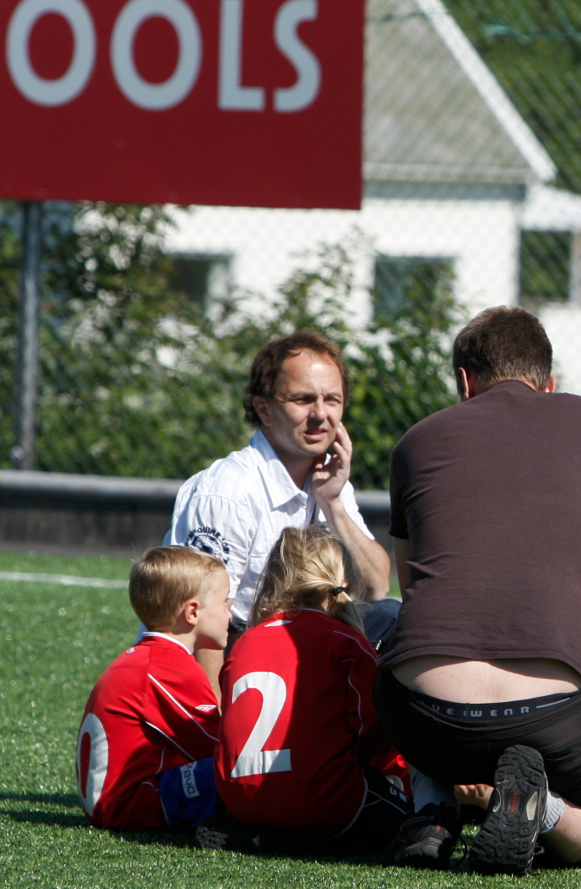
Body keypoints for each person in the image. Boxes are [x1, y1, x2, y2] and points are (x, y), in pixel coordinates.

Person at [379, 306, 581, 875]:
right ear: (550, 384)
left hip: (422, 714)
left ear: (464, 383)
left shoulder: (415, 443)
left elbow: (415, 591)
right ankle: (543, 809)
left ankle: (435, 810)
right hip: (551, 714)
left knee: (410, 651)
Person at [166, 332, 396, 658]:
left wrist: (333, 505)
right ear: (264, 409)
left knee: (391, 618)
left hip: (293, 642)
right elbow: (201, 625)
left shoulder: (329, 480)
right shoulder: (228, 492)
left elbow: (376, 588)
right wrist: (218, 709)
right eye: (303, 399)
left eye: (332, 400)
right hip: (237, 647)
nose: (320, 414)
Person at [196, 525, 410, 855]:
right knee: (409, 814)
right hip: (321, 804)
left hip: (239, 801)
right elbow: (376, 729)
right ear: (343, 584)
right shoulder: (346, 641)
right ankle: (304, 841)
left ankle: (266, 836)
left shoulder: (245, 642)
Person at [76, 546, 226, 832]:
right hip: (130, 804)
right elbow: (220, 748)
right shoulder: (168, 665)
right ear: (192, 611)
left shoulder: (146, 657)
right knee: (248, 767)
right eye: (226, 604)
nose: (231, 615)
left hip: (117, 801)